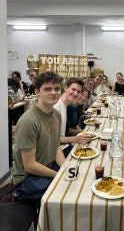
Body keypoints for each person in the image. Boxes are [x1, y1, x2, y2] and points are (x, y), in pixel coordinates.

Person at [13, 71, 65, 201]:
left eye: (57, 88)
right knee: (65, 192)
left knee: (75, 180)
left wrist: (65, 169)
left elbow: (56, 147)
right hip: (26, 179)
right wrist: (59, 175)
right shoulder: (29, 121)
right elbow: (29, 165)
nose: (53, 92)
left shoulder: (56, 115)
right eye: (47, 89)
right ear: (37, 92)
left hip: (48, 166)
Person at [54, 77, 92, 157]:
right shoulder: (56, 108)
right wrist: (76, 139)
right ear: (65, 88)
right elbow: (54, 140)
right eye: (73, 89)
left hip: (64, 147)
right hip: (59, 152)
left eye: (78, 91)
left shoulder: (64, 106)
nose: (75, 93)